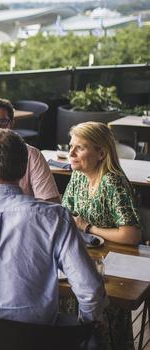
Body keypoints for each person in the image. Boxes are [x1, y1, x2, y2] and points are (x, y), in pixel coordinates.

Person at [0, 129, 107, 350]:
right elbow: (91, 289)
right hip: (34, 340)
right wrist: (86, 324)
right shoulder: (55, 218)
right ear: (24, 166)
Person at [62, 121, 142, 350]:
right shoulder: (78, 176)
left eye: (80, 147)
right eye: (71, 146)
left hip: (113, 267)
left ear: (101, 153)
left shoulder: (113, 181)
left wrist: (88, 227)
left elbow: (131, 234)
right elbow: (67, 212)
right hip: (85, 256)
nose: (71, 153)